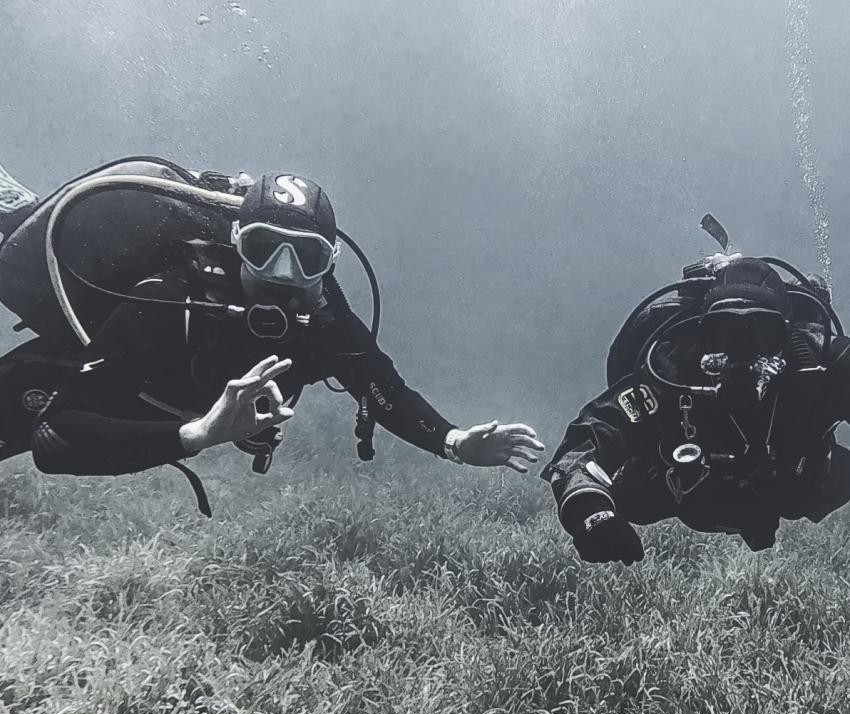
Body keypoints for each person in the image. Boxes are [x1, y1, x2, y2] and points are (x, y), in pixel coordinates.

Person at [0, 159, 544, 513]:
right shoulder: (171, 295)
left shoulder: (326, 320)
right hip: (78, 355)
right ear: (236, 242)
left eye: (305, 258)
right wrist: (197, 435)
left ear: (327, 265)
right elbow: (57, 439)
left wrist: (453, 442)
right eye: (265, 249)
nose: (283, 274)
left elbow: (383, 389)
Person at [542, 252, 850, 564]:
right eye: (723, 332)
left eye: (761, 332)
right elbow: (595, 430)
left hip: (794, 487)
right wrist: (589, 511)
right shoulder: (672, 369)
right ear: (702, 335)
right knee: (631, 497)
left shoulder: (820, 365)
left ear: (786, 336)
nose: (741, 350)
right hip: (685, 494)